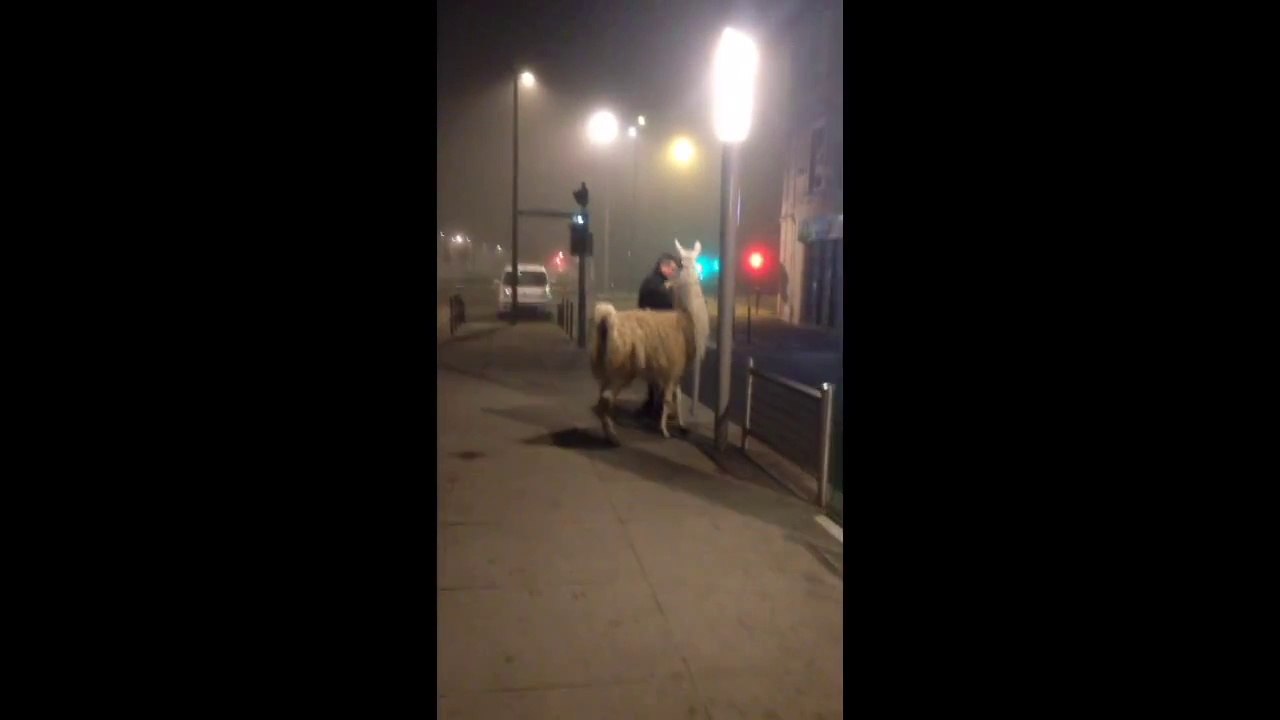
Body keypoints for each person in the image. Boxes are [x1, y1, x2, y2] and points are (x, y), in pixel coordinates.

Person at [636, 253, 681, 419]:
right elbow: (668, 305)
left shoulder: (653, 282)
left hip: (651, 331)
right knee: (660, 371)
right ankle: (658, 408)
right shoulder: (656, 285)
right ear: (664, 266)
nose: (674, 272)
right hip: (655, 333)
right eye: (672, 269)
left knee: (654, 374)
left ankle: (653, 405)